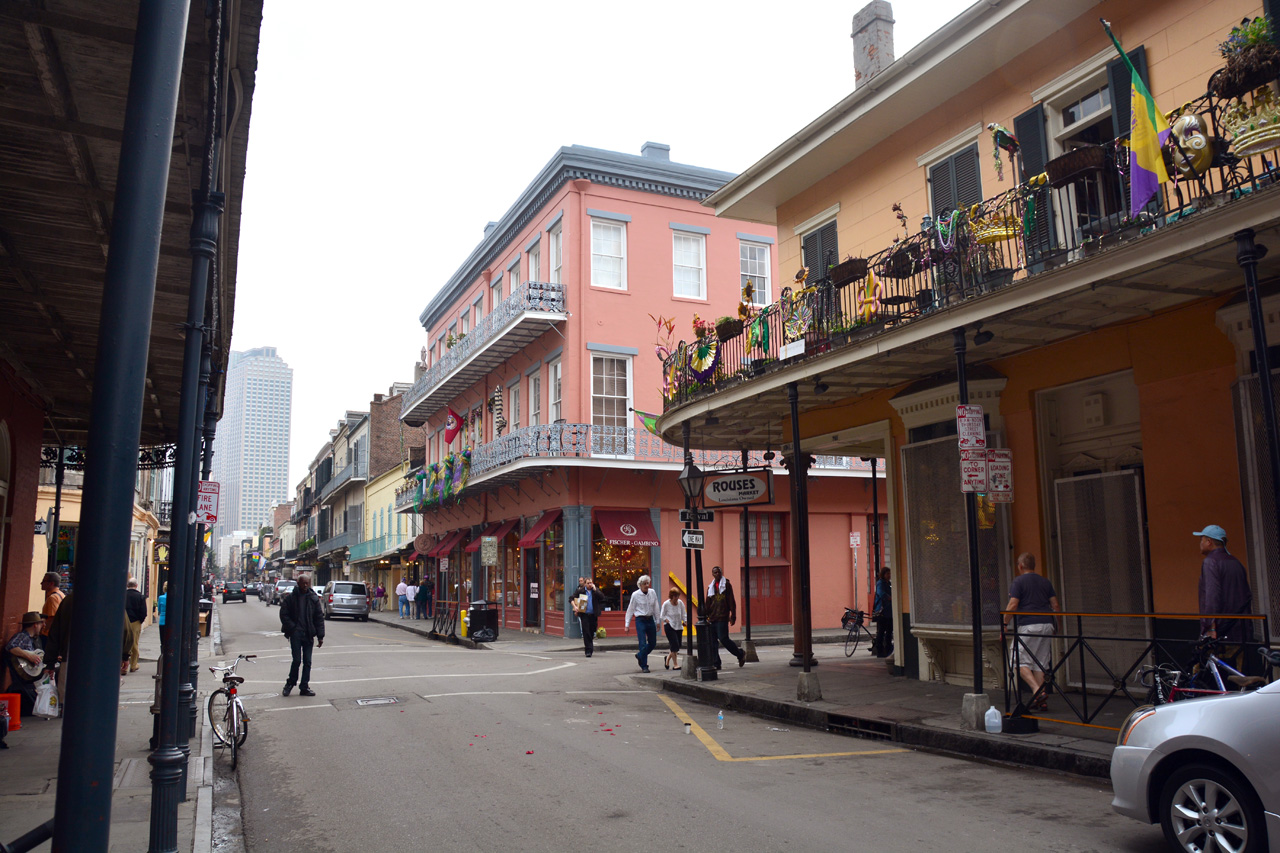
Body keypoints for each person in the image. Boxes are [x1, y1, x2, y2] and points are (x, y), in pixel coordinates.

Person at [1003, 553, 1060, 711]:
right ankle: (1041, 701)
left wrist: (1004, 622)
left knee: (1016, 660)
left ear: (1020, 566)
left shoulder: (1018, 581)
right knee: (1039, 663)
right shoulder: (1045, 582)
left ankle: (1037, 692)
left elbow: (1013, 604)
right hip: (1046, 624)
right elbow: (1055, 605)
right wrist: (1057, 625)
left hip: (1029, 624)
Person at [1194, 524, 1253, 647]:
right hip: (1239, 629)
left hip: (1220, 631)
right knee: (1236, 665)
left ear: (1209, 541)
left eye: (1202, 539)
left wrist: (1210, 626)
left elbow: (1212, 596)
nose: (1200, 543)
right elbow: (1246, 595)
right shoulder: (1236, 562)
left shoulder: (1210, 562)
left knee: (1200, 663)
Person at [279, 574, 324, 697]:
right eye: (303, 583)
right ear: (298, 583)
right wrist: (292, 627)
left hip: (308, 634)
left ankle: (304, 686)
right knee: (297, 660)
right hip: (296, 634)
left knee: (308, 661)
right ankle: (290, 683)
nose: (305, 585)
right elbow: (284, 614)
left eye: (307, 583)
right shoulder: (291, 598)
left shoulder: (313, 598)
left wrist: (320, 636)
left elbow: (319, 618)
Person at [3, 612, 46, 716]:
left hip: (30, 673)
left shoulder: (33, 639)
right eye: (40, 624)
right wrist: (29, 656)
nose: (41, 627)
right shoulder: (22, 636)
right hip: (23, 676)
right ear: (35, 625)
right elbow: (11, 646)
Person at [706, 566, 745, 669]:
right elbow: (708, 603)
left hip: (722, 617)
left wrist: (733, 615)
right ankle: (716, 663)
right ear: (712, 574)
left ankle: (740, 654)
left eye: (718, 572)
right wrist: (705, 615)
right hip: (712, 617)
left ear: (721, 573)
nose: (717, 574)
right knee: (713, 642)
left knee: (724, 639)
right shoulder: (710, 587)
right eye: (715, 573)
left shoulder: (726, 585)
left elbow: (731, 600)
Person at [624, 575, 661, 673]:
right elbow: (630, 609)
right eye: (644, 584)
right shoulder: (635, 595)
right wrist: (627, 625)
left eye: (647, 583)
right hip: (640, 619)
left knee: (653, 643)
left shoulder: (652, 593)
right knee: (642, 643)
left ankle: (640, 655)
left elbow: (656, 607)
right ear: (640, 585)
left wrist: (658, 621)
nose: (646, 585)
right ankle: (644, 665)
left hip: (650, 619)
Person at [571, 577, 605, 658]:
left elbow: (602, 597)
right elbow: (571, 598)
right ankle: (588, 650)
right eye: (588, 583)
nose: (590, 584)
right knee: (586, 632)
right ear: (585, 584)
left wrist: (595, 590)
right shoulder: (581, 591)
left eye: (591, 583)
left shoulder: (595, 591)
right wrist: (575, 607)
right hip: (585, 614)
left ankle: (589, 645)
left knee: (592, 630)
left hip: (593, 615)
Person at [660, 587, 686, 671]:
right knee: (674, 644)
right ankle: (675, 664)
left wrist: (685, 621)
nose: (677, 598)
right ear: (671, 596)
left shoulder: (680, 603)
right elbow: (662, 615)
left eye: (678, 596)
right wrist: (665, 619)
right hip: (669, 626)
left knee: (678, 645)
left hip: (678, 626)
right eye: (675, 596)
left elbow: (683, 613)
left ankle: (667, 659)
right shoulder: (666, 604)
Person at [124, 577, 147, 673]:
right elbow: (143, 612)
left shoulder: (123, 594)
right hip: (135, 622)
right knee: (134, 644)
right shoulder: (140, 597)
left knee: (123, 642)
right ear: (136, 586)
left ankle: (122, 667)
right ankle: (133, 665)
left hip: (124, 621)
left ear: (127, 586)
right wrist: (140, 621)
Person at [872, 567, 894, 658]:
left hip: (889, 611)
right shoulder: (880, 583)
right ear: (883, 574)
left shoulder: (889, 583)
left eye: (890, 574)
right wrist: (890, 597)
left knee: (889, 631)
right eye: (887, 574)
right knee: (881, 631)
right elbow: (881, 594)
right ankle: (880, 650)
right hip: (882, 611)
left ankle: (888, 649)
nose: (889, 576)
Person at [39, 572, 64, 638]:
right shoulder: (61, 594)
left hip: (49, 635)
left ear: (51, 583)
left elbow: (52, 619)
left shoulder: (52, 598)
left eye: (44, 581)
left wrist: (42, 631)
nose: (41, 583)